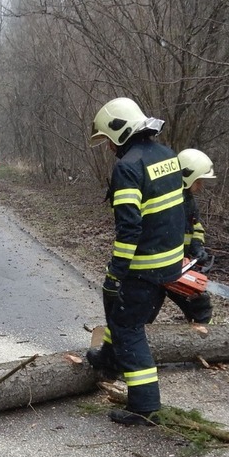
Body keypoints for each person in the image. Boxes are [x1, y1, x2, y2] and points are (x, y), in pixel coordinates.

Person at [85, 97, 186, 426]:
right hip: (169, 262)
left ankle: (145, 406)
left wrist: (116, 273)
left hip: (145, 265)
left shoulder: (128, 167)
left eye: (109, 141)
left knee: (128, 327)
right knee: (118, 310)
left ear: (120, 131)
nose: (110, 148)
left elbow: (129, 229)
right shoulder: (167, 155)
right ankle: (110, 360)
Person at [164, 148, 217, 324]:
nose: (200, 186)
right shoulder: (167, 199)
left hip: (179, 264)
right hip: (160, 265)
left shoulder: (189, 201)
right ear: (186, 175)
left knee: (200, 304)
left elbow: (196, 226)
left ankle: (198, 340)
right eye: (198, 181)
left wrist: (197, 247)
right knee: (143, 311)